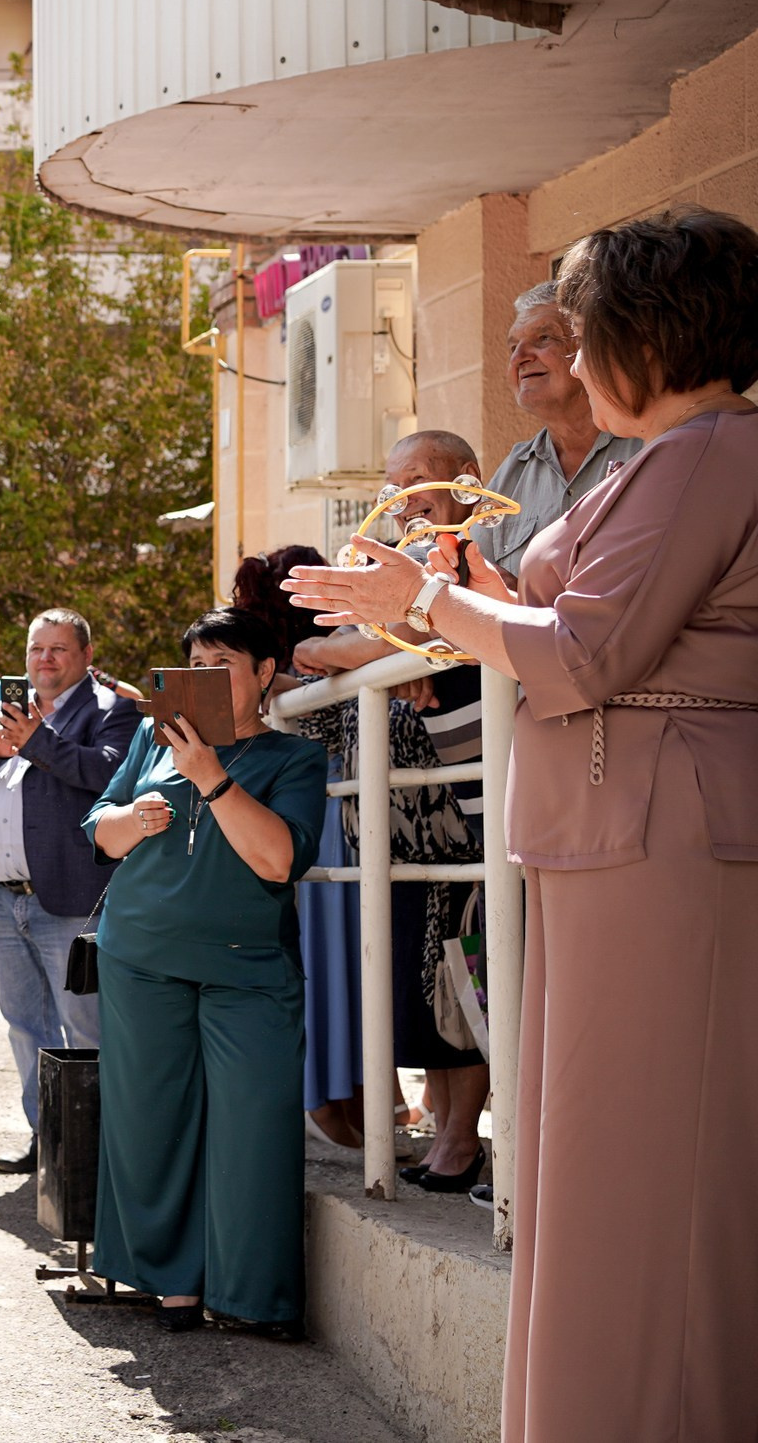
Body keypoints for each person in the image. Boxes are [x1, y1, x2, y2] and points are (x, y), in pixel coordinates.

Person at [286, 206, 758, 1442]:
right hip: (614, 834)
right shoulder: (661, 458)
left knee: (639, 1175)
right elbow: (558, 610)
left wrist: (429, 597)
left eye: (578, 328)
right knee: (587, 1171)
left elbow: (591, 647)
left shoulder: (707, 452)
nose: (567, 350)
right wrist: (448, 593)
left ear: (638, 336)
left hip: (660, 842)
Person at [85, 606, 329, 1336]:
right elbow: (100, 832)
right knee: (150, 1123)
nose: (209, 679)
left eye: (225, 663)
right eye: (196, 665)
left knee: (255, 1128)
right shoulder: (146, 737)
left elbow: (278, 859)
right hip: (140, 956)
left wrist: (212, 778)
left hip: (247, 967)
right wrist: (134, 815)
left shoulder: (296, 757)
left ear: (262, 673)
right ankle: (170, 1281)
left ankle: (252, 1297)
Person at [284, 437, 490, 1182]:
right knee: (416, 994)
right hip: (389, 841)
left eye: (418, 483)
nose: (401, 499)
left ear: (466, 487)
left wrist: (372, 650)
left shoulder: (477, 557)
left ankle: (461, 1140)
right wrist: (374, 653)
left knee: (457, 994)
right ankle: (443, 1130)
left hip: (456, 833)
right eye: (391, 485)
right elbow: (318, 654)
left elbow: (437, 633)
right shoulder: (382, 572)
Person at [0, 609, 141, 1174]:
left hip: (70, 898)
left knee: (85, 1026)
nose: (44, 660)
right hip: (5, 899)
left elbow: (108, 774)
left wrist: (37, 741)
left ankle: (98, 1148)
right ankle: (48, 1138)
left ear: (84, 655)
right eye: (37, 649)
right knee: (24, 1024)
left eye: (58, 649)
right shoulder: (1, 709)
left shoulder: (112, 711)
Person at [483, 281, 640, 583]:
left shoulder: (646, 443)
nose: (520, 358)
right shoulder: (513, 472)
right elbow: (473, 573)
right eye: (513, 347)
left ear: (589, 350)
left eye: (543, 338)